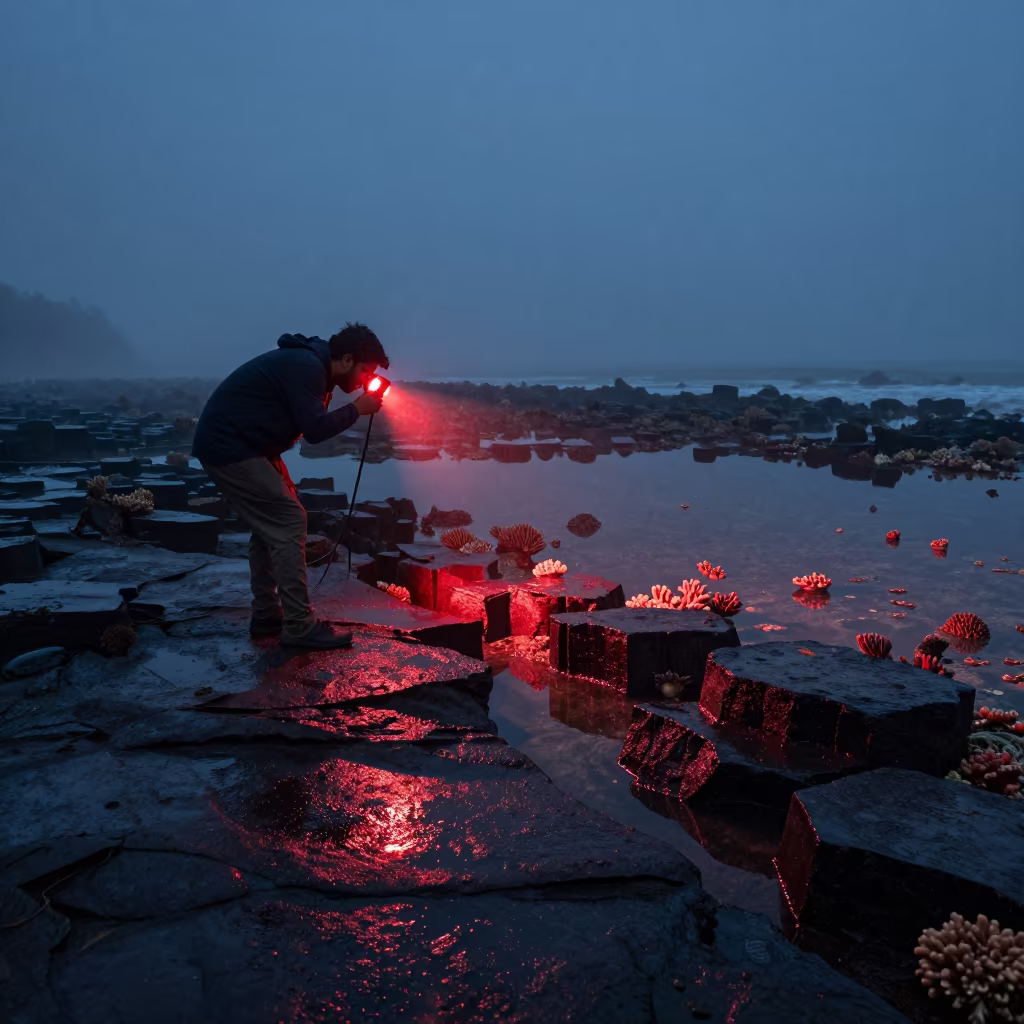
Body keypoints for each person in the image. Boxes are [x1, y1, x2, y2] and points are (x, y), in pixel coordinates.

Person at [192, 322, 389, 649]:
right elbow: (314, 430)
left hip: (252, 445)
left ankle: (268, 613)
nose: (362, 382)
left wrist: (355, 406)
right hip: (230, 445)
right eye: (364, 371)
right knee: (287, 519)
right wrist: (357, 409)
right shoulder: (308, 367)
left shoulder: (314, 367)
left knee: (272, 524)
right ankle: (299, 626)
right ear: (346, 359)